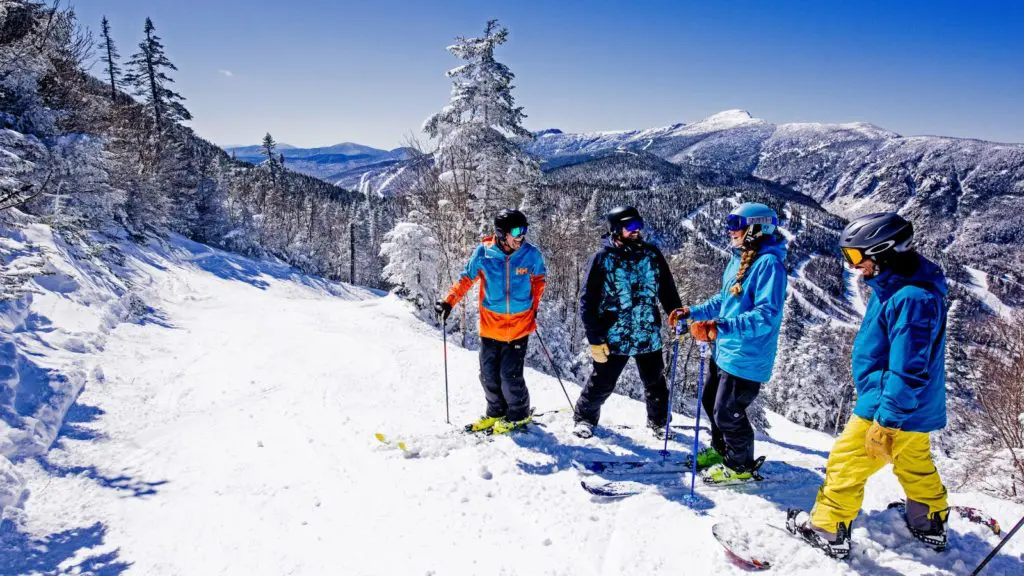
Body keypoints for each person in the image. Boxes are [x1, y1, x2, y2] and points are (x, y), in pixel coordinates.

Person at [786, 212, 950, 559]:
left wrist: (887, 421)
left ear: (886, 251)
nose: (853, 266)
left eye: (857, 256)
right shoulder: (895, 284)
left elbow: (908, 368)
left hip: (888, 404)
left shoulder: (911, 298)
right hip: (913, 406)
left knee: (845, 463)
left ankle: (828, 529)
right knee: (914, 461)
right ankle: (928, 520)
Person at [672, 202, 788, 485]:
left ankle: (740, 465)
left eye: (736, 225)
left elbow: (766, 316)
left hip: (746, 356)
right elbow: (724, 301)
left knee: (727, 412)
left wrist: (720, 327)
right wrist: (693, 312)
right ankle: (721, 450)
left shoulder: (769, 265)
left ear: (757, 228)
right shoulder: (739, 259)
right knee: (710, 401)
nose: (729, 231)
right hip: (724, 350)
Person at [574, 206, 683, 440]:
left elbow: (667, 290)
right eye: (630, 226)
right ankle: (585, 418)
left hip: (647, 331)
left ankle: (659, 422)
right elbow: (587, 301)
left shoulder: (652, 255)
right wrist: (595, 337)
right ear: (616, 229)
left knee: (655, 381)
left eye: (639, 225)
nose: (637, 231)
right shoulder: (602, 259)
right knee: (603, 381)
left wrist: (677, 316)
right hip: (615, 333)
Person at [435, 209, 546, 435]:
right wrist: (448, 302)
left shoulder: (531, 254)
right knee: (488, 375)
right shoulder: (484, 253)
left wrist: (532, 309)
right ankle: (496, 412)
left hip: (519, 327)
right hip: (490, 327)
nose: (521, 236)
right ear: (502, 233)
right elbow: (466, 279)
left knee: (509, 376)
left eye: (524, 230)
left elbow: (538, 282)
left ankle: (519, 414)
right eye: (517, 231)